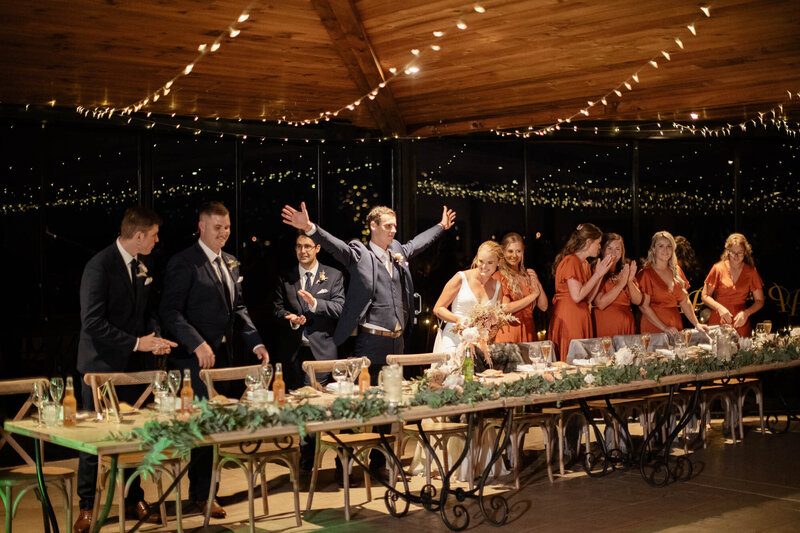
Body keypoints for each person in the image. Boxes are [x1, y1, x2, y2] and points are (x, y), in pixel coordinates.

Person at [281, 201, 455, 479]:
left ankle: (378, 460)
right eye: (388, 226)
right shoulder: (360, 253)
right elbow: (334, 245)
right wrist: (310, 228)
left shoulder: (397, 251)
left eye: (395, 226)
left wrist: (440, 227)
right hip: (370, 342)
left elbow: (416, 244)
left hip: (396, 342)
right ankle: (346, 461)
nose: (393, 231)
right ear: (373, 226)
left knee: (388, 405)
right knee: (359, 402)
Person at [160, 201, 268, 520]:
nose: (224, 233)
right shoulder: (184, 262)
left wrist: (257, 342)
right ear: (202, 227)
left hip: (223, 358)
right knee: (202, 428)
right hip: (192, 360)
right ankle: (203, 494)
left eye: (227, 227)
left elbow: (238, 309)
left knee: (215, 427)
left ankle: (206, 491)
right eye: (218, 227)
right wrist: (196, 343)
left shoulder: (231, 262)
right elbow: (170, 312)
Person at [74, 206, 177, 533]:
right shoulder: (99, 266)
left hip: (131, 368)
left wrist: (154, 337)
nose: (157, 240)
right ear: (138, 236)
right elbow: (92, 322)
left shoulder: (143, 265)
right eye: (155, 235)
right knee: (95, 441)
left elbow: (146, 312)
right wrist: (137, 343)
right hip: (99, 368)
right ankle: (87, 506)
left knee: (133, 435)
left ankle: (134, 499)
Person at [549, 224, 613, 361]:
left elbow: (588, 298)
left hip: (581, 315)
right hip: (569, 316)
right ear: (588, 242)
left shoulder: (585, 264)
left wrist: (599, 275)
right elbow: (577, 296)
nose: (599, 247)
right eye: (598, 243)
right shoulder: (571, 261)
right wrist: (597, 275)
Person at [432, 241, 505, 354]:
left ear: (498, 262)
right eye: (481, 261)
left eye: (490, 262)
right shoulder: (461, 278)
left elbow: (497, 320)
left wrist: (486, 338)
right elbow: (438, 308)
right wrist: (457, 319)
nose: (484, 267)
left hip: (478, 345)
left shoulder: (498, 286)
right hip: (453, 339)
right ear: (476, 258)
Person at [637, 231, 708, 337]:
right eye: (661, 246)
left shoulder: (676, 270)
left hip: (675, 326)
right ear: (653, 249)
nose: (665, 250)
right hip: (654, 327)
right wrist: (664, 328)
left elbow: (685, 301)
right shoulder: (646, 273)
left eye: (669, 246)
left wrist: (697, 324)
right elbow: (643, 307)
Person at [701, 233, 765, 337]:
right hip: (719, 318)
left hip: (740, 321)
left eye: (739, 252)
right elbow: (705, 296)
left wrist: (746, 313)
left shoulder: (751, 271)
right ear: (728, 251)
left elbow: (760, 301)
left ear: (745, 252)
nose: (736, 256)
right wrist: (719, 308)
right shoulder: (718, 268)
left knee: (742, 352)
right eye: (733, 252)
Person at [493, 232, 546, 343]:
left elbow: (544, 306)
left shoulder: (527, 275)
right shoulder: (499, 276)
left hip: (529, 331)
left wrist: (537, 282)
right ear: (503, 252)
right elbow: (506, 308)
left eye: (518, 251)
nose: (514, 255)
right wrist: (533, 295)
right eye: (510, 251)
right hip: (509, 332)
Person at [592, 233, 642, 337]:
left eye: (617, 249)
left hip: (626, 324)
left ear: (622, 252)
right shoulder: (596, 270)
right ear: (602, 250)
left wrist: (629, 281)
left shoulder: (624, 270)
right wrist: (621, 284)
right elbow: (600, 303)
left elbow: (637, 300)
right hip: (605, 325)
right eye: (609, 248)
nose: (613, 252)